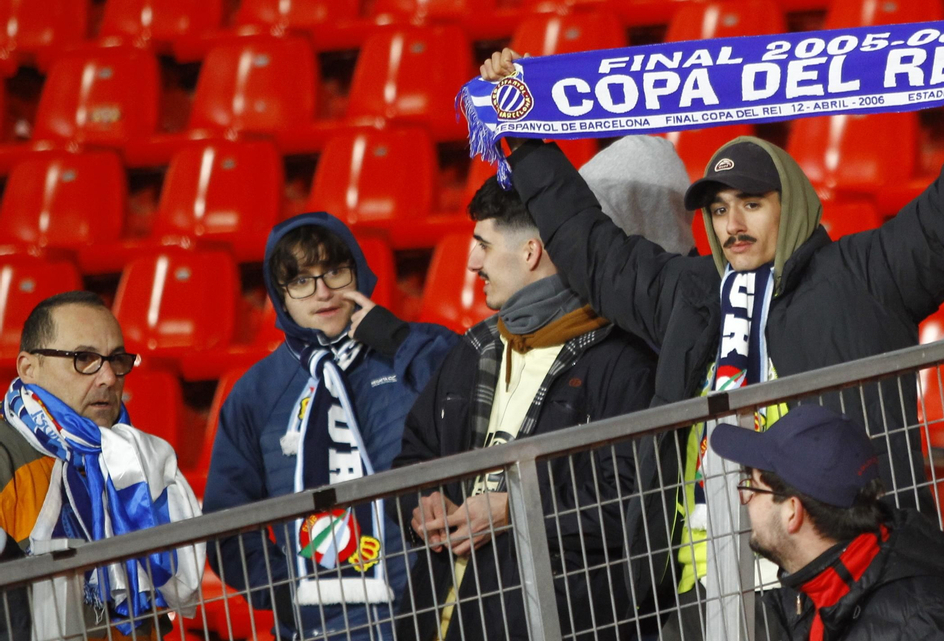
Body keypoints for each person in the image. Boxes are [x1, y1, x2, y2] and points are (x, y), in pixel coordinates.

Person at [476, 2, 944, 636]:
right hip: (698, 601)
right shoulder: (688, 291)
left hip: (845, 590)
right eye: (717, 211)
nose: (731, 226)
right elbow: (591, 248)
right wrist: (523, 134)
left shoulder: (865, 275)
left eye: (752, 205)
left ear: (788, 202)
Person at [392, 141, 675, 641]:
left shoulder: (623, 362)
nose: (471, 262)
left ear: (530, 251)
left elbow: (631, 502)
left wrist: (515, 510)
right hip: (438, 617)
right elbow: (414, 452)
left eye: (483, 243)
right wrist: (423, 498)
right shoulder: (472, 349)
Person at [204, 214, 457, 641]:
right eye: (301, 281)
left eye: (335, 272)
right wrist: (284, 590)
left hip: (436, 610)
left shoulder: (413, 348)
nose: (322, 292)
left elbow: (470, 397)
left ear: (357, 271)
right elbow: (226, 523)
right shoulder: (255, 394)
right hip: (319, 626)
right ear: (280, 297)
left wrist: (394, 339)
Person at [0, 292, 201, 641]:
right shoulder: (6, 455)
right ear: (28, 368)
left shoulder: (139, 460)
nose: (109, 377)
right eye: (84, 358)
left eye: (117, 359)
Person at [709, 406, 944, 641]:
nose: (744, 498)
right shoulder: (815, 591)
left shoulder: (928, 624)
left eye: (752, 487)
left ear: (792, 512)